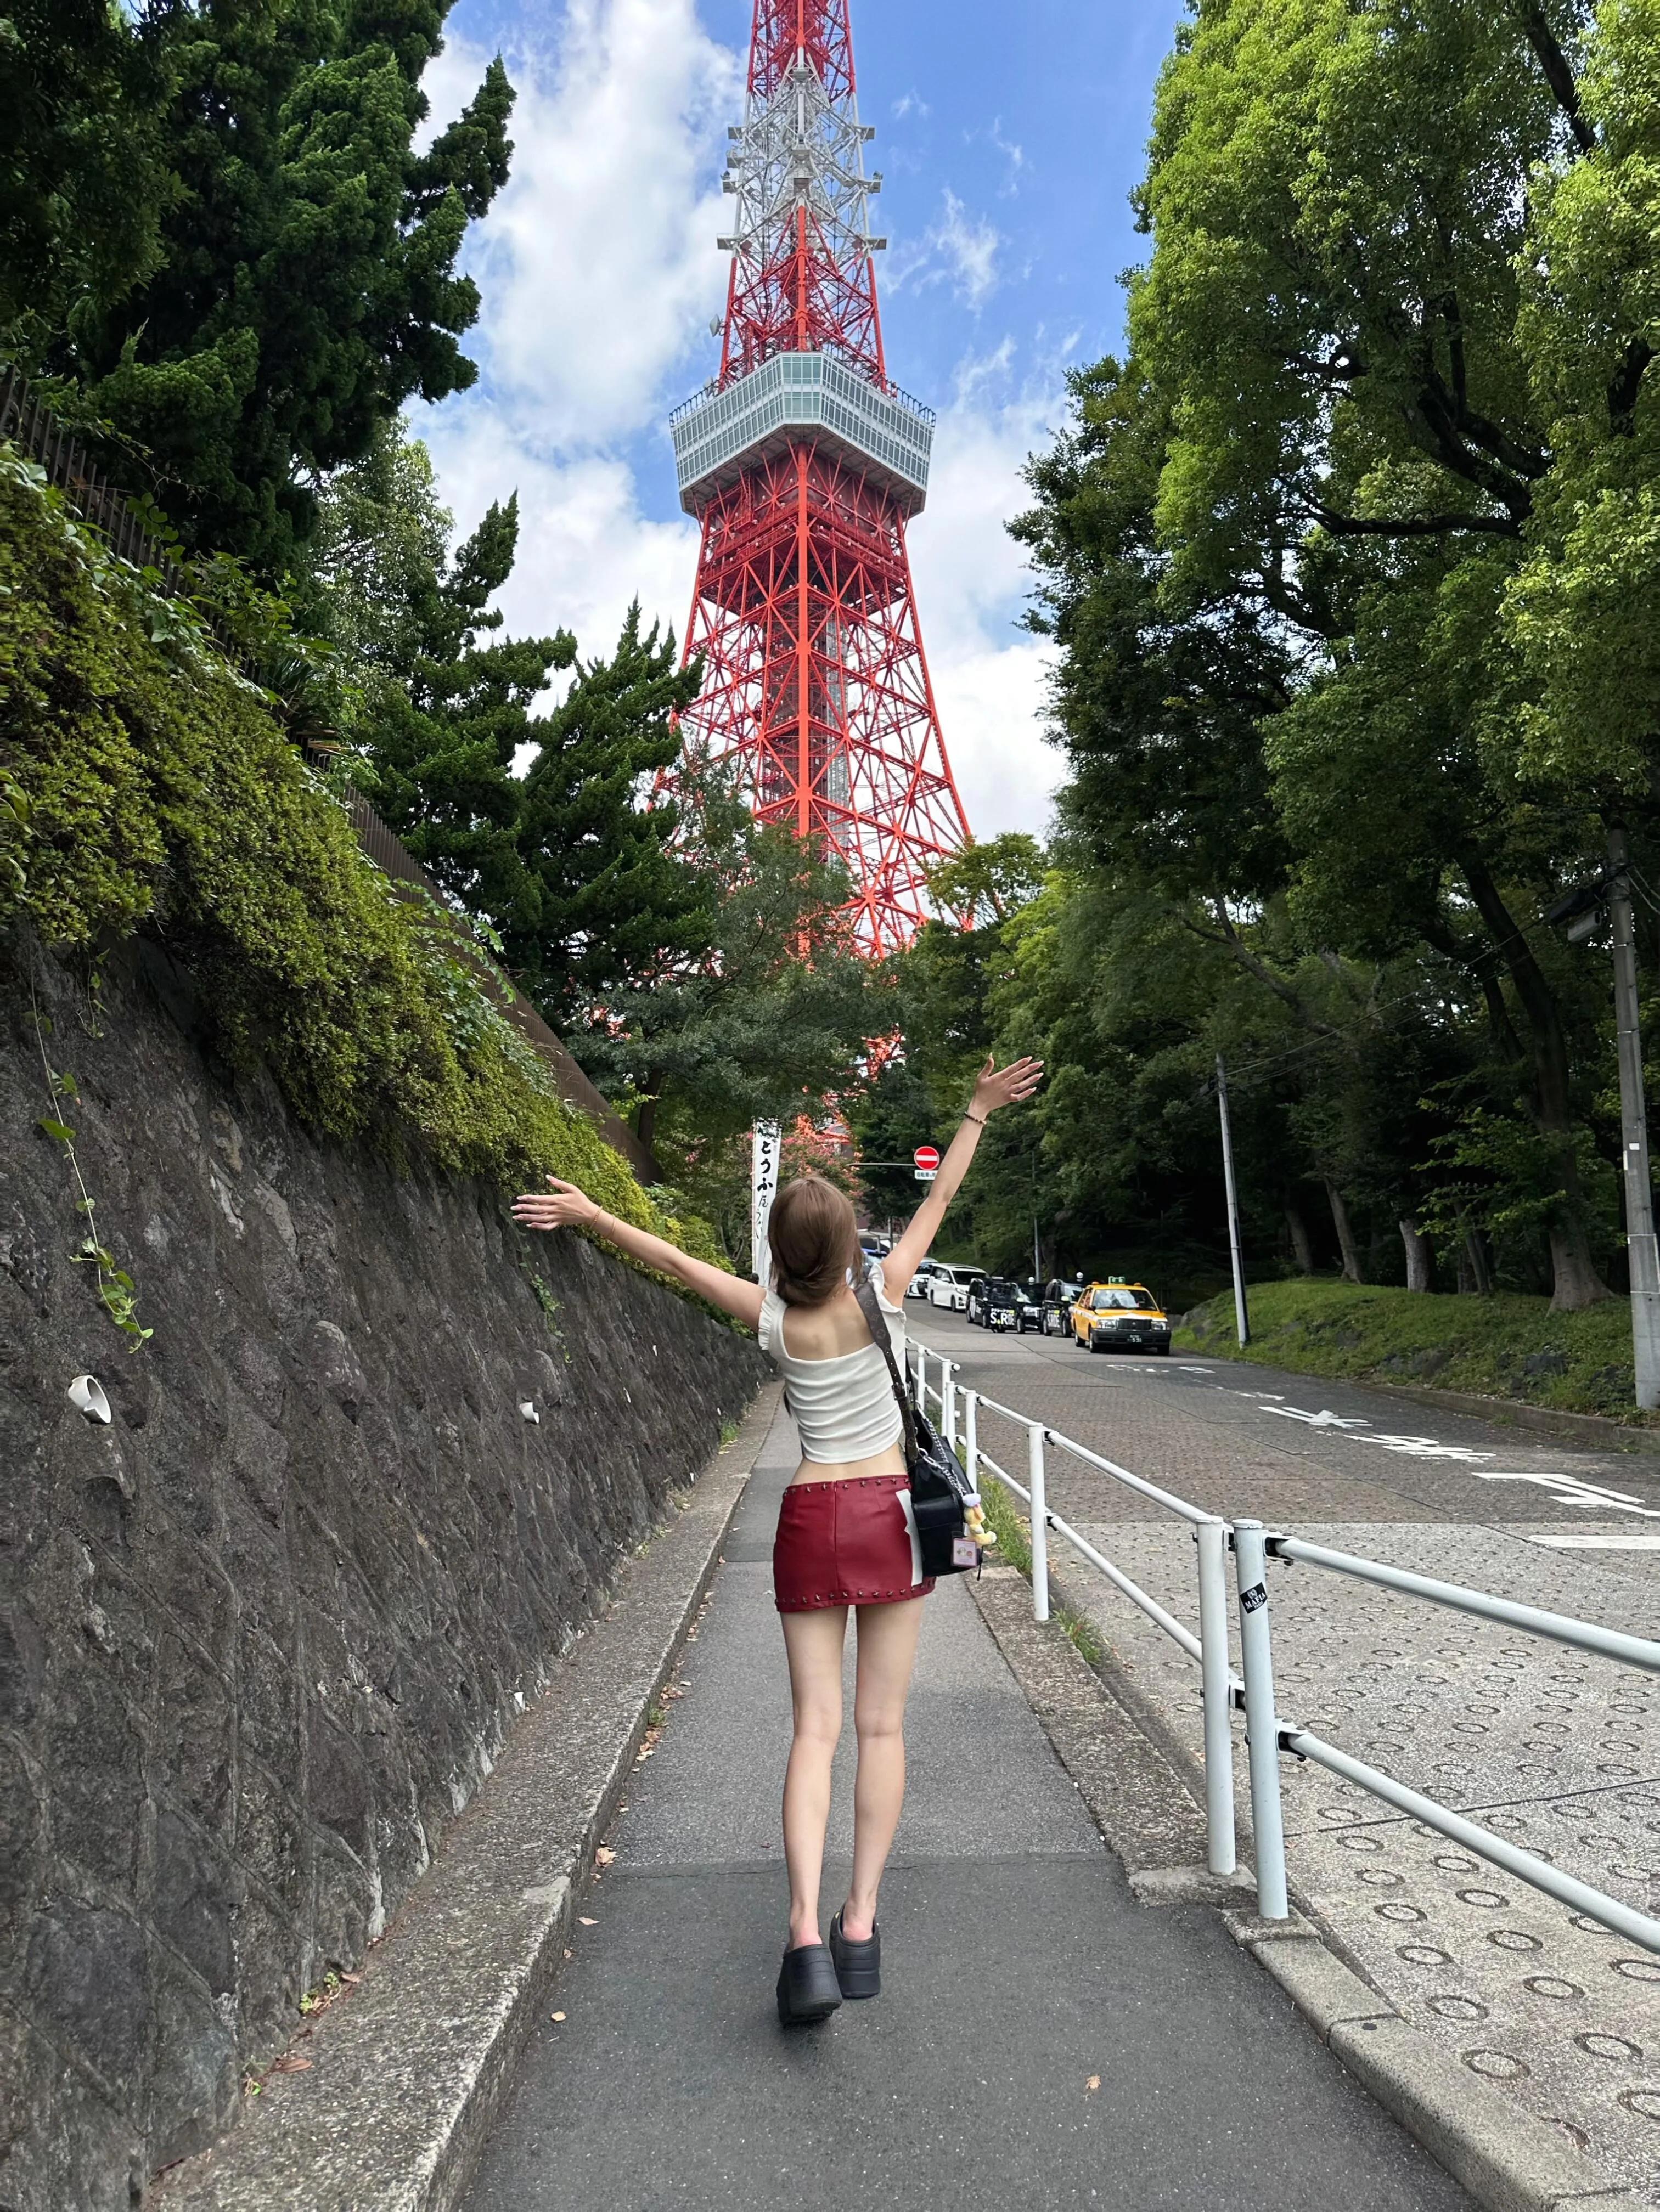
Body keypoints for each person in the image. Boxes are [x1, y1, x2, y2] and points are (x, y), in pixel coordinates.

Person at [511, 1052, 1043, 2027]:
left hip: (809, 1519)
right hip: (889, 1516)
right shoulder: (881, 1294)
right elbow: (939, 1201)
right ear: (844, 1247)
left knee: (813, 1732)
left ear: (777, 1250)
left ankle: (802, 1938)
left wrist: (591, 1214)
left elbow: (672, 1262)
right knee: (880, 1729)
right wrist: (974, 1110)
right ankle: (859, 1926)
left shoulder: (769, 1321)